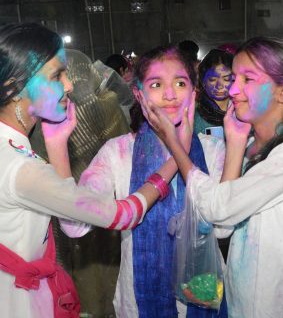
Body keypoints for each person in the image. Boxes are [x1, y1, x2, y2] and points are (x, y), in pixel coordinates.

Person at [0, 23, 179, 318]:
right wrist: (173, 162)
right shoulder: (20, 168)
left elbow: (66, 205)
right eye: (57, 75)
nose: (70, 85)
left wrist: (57, 143)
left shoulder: (13, 148)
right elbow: (123, 214)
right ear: (13, 88)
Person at [147, 37, 283, 318]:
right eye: (234, 78)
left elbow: (218, 206)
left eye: (247, 79)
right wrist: (237, 143)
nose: (233, 89)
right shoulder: (251, 144)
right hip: (244, 300)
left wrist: (176, 144)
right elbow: (222, 227)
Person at [80, 45, 229, 318]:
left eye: (181, 83)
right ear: (138, 93)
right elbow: (75, 226)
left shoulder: (212, 149)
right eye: (156, 84)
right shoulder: (117, 152)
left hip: (203, 296)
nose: (170, 95)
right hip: (139, 302)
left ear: (194, 91)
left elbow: (223, 229)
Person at [194, 49, 233, 135]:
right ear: (203, 81)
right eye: (212, 79)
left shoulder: (244, 112)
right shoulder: (193, 118)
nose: (219, 85)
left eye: (226, 79)